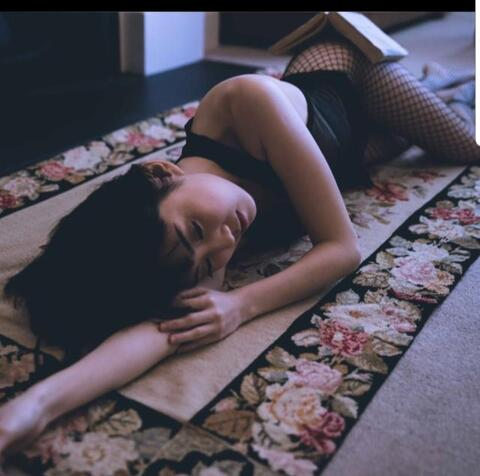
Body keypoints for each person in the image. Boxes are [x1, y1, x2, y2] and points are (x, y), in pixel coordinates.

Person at [0, 34, 478, 464]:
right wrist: (35, 406)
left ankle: (434, 86)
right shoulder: (186, 250)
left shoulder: (247, 101)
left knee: (466, 146)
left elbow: (341, 247)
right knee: (423, 131)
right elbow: (166, 330)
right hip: (349, 155)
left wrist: (240, 304)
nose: (224, 244)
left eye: (195, 230)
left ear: (162, 173)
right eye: (206, 262)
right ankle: (440, 87)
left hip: (347, 83)